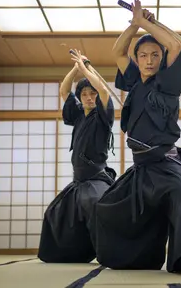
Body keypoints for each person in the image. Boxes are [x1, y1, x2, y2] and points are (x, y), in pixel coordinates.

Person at [92, 0, 181, 278]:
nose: (148, 60)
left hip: (166, 163)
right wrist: (134, 25)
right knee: (106, 206)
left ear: (161, 58)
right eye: (143, 55)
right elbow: (118, 50)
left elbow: (176, 46)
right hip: (141, 167)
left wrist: (147, 24)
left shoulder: (168, 82)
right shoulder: (133, 80)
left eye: (155, 55)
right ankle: (135, 257)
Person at [37, 52, 116, 263]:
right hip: (78, 181)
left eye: (92, 94)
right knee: (54, 212)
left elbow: (104, 91)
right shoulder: (79, 115)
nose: (90, 97)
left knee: (97, 206)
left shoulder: (103, 115)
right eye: (84, 95)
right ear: (80, 98)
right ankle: (72, 254)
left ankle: (108, 254)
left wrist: (86, 70)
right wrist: (75, 69)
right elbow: (64, 91)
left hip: (96, 178)